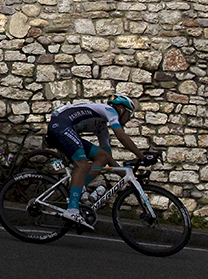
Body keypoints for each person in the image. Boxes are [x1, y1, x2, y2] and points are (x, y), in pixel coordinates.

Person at [46, 94, 147, 230]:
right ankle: (72, 210)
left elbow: (108, 158)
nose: (129, 119)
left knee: (102, 157)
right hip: (61, 124)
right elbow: (121, 136)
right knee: (83, 165)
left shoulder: (101, 126)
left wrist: (127, 177)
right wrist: (142, 156)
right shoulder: (109, 111)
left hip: (64, 127)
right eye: (130, 114)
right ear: (122, 109)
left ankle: (78, 188)